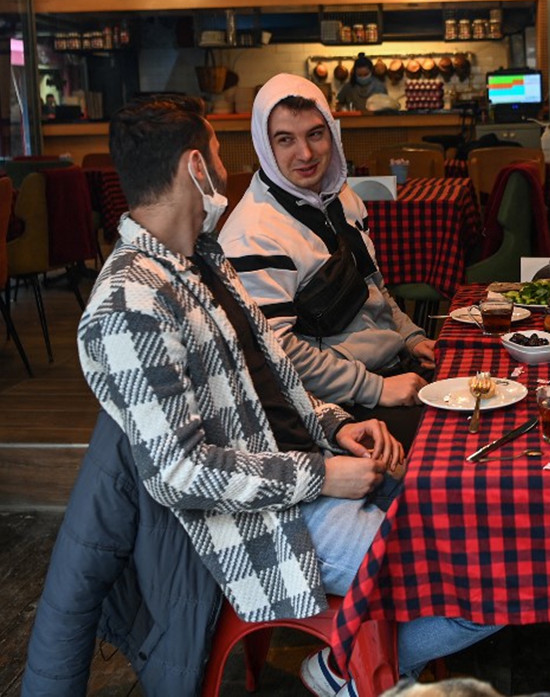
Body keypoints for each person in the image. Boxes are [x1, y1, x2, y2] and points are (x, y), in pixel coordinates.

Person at [76, 94, 496, 695]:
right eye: (221, 154)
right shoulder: (129, 305)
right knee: (496, 574)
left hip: (311, 474)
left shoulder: (202, 260)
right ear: (196, 167)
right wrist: (323, 474)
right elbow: (180, 473)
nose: (229, 169)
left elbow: (273, 379)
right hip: (266, 524)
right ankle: (349, 671)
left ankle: (355, 663)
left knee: (484, 517)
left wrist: (335, 425)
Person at [220, 73, 434, 446]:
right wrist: (377, 388)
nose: (305, 154)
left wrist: (412, 338)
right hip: (339, 409)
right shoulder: (253, 234)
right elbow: (278, 354)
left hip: (393, 368)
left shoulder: (342, 197)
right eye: (285, 139)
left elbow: (374, 289)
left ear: (332, 135)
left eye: (315, 135)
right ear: (263, 145)